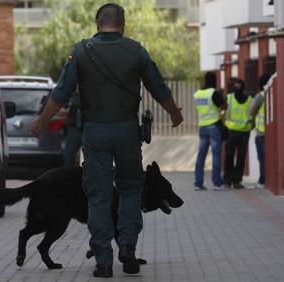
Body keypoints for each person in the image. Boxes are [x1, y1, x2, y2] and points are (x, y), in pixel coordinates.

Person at [32, 3, 183, 278]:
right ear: (122, 24)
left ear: (97, 23)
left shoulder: (80, 51)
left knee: (98, 195)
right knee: (130, 189)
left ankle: (103, 261)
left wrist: (41, 121)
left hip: (95, 132)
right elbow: (158, 87)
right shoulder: (136, 50)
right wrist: (174, 113)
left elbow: (61, 93)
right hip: (126, 130)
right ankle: (127, 246)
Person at [193, 71, 226, 191]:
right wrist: (222, 96)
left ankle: (198, 183)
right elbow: (223, 106)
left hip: (202, 127)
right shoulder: (214, 93)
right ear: (214, 80)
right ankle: (217, 183)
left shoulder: (197, 94)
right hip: (214, 126)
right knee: (216, 155)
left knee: (201, 155)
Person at [223, 79, 253, 189]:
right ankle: (227, 180)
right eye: (235, 87)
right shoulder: (229, 98)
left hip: (244, 132)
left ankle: (236, 181)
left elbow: (253, 114)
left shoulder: (250, 100)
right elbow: (222, 110)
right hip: (231, 131)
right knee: (229, 156)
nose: (237, 89)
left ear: (243, 87)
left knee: (241, 157)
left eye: (239, 86)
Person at [250, 74, 272, 189]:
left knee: (262, 158)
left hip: (260, 132)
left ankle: (262, 180)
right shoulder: (271, 94)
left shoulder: (260, 96)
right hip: (270, 132)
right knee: (268, 158)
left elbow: (252, 111)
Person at [63, 90, 82, 168]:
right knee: (69, 157)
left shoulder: (90, 94)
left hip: (87, 129)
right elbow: (61, 109)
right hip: (73, 129)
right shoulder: (70, 96)